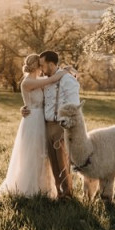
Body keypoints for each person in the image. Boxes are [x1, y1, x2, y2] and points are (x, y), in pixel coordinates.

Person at [0, 54, 71, 197]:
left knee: (43, 155)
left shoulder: (39, 80)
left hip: (41, 120)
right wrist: (63, 72)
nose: (43, 68)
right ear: (37, 66)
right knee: (31, 154)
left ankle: (43, 188)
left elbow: (51, 79)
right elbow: (52, 79)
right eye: (41, 65)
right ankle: (28, 189)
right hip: (32, 121)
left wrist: (65, 70)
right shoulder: (27, 82)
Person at [22, 50, 81, 200]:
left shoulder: (67, 80)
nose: (41, 68)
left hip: (60, 125)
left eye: (42, 65)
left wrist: (67, 125)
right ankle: (59, 193)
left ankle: (67, 195)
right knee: (52, 162)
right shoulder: (46, 79)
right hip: (45, 124)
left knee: (62, 161)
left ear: (51, 64)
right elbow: (34, 96)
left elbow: (74, 104)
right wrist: (25, 108)